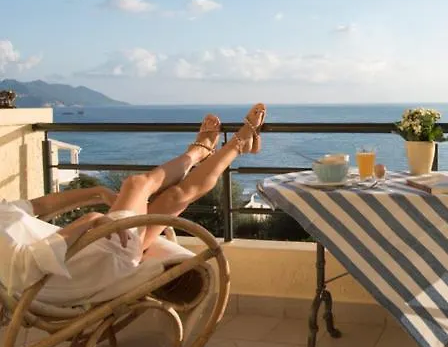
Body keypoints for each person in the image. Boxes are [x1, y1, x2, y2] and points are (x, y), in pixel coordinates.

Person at [0, 103, 266, 305]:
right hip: (90, 267)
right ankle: (199, 152)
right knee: (136, 184)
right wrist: (92, 219)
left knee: (173, 199)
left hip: (89, 260)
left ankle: (235, 145)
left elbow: (42, 206)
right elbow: (27, 265)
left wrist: (97, 192)